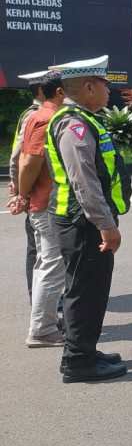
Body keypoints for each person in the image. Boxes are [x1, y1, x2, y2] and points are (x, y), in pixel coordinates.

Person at [45, 55, 129, 383]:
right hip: (83, 223)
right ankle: (78, 362)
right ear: (89, 86)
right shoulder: (73, 123)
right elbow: (84, 180)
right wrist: (105, 225)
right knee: (83, 290)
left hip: (85, 221)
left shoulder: (83, 118)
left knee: (92, 289)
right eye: (106, 85)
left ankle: (86, 350)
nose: (110, 91)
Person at [9, 70, 65, 347]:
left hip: (44, 201)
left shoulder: (41, 115)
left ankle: (45, 323)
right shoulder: (46, 118)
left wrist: (21, 193)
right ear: (59, 92)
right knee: (51, 265)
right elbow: (27, 161)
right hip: (49, 203)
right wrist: (21, 193)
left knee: (47, 262)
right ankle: (43, 328)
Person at [9, 70, 47, 299]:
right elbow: (19, 156)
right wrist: (20, 191)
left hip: (33, 188)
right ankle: (37, 297)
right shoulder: (35, 115)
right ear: (43, 91)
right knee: (37, 249)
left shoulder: (33, 113)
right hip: (35, 191)